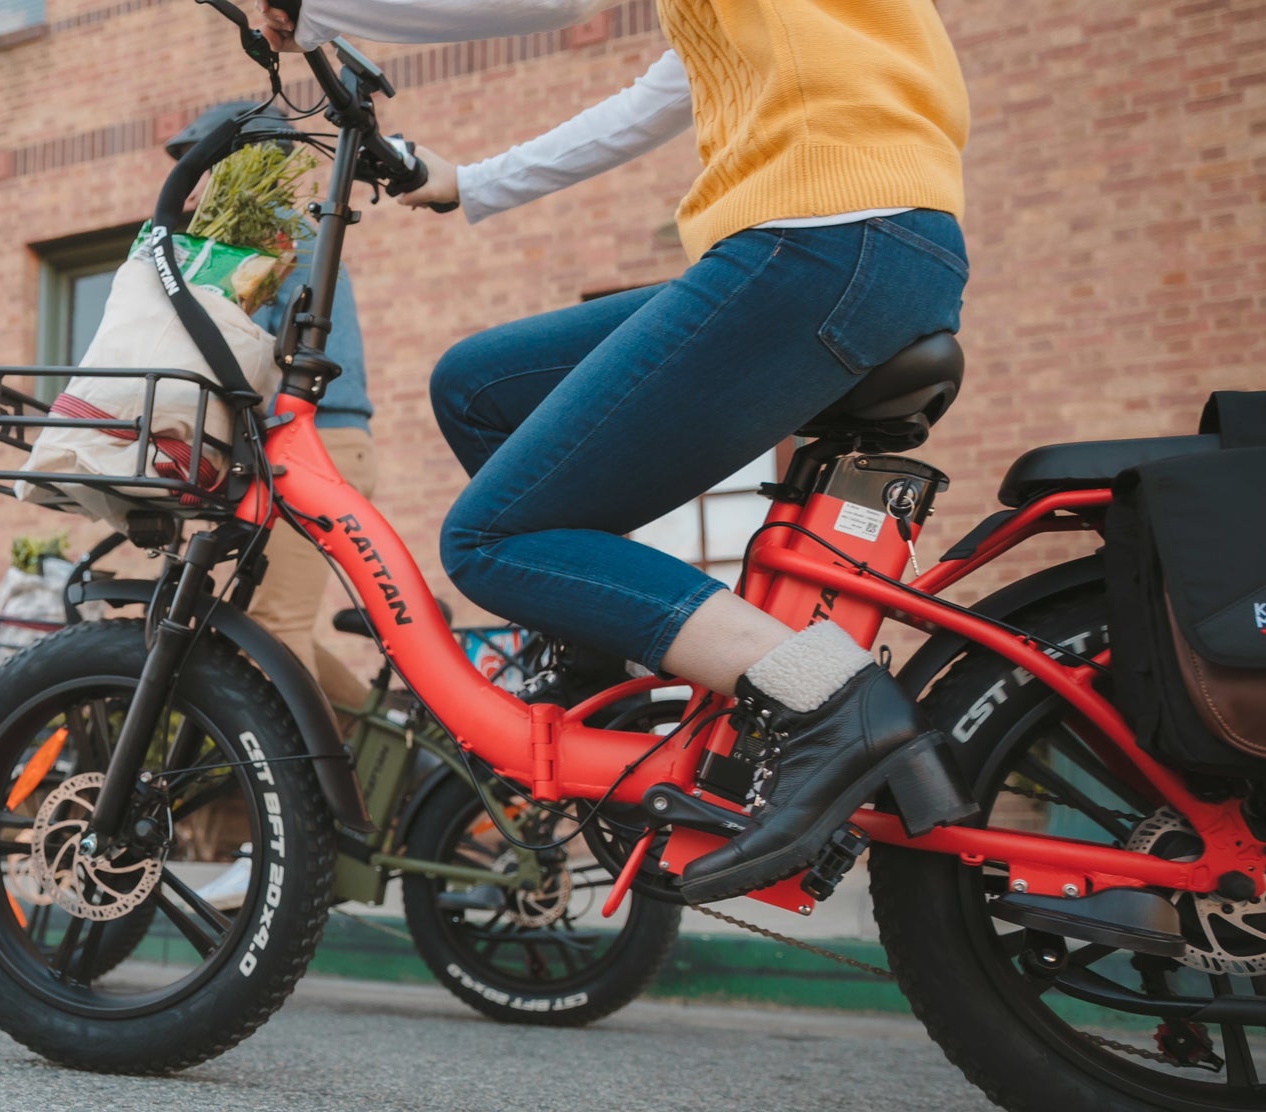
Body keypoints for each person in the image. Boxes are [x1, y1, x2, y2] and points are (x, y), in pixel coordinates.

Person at [256, 0, 975, 902]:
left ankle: (833, 699)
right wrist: (475, 183)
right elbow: (658, 95)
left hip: (823, 240)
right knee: (478, 385)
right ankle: (606, 670)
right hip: (865, 245)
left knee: (489, 542)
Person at [165, 103, 381, 717]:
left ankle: (329, 811)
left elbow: (233, 353)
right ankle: (402, 756)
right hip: (314, 444)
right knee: (268, 628)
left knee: (275, 631)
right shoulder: (290, 231)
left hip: (314, 448)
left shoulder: (270, 236)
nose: (194, 186)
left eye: (201, 165)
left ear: (245, 160)